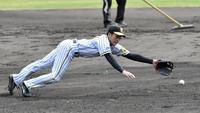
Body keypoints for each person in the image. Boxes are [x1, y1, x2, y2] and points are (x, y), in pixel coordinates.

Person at [8, 25, 164, 97]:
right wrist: (122, 71)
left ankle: (16, 78)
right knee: (55, 75)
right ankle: (27, 84)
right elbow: (108, 57)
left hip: (68, 45)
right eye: (116, 36)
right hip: (69, 49)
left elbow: (131, 55)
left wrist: (153, 61)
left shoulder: (113, 45)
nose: (118, 39)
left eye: (120, 37)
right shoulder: (103, 40)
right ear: (109, 34)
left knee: (41, 64)